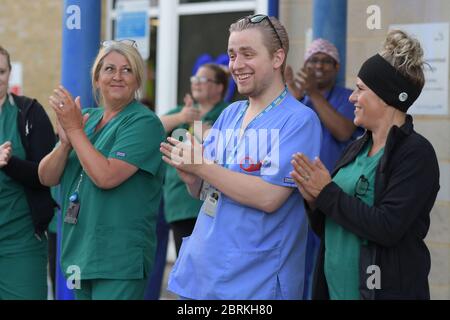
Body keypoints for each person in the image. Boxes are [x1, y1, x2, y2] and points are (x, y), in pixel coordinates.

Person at [160, 15, 322, 299]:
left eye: (248, 54)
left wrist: (201, 166)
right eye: (233, 55)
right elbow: (208, 189)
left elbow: (269, 197)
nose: (236, 65)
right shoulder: (230, 114)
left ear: (277, 57)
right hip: (204, 275)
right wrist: (191, 178)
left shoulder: (299, 120)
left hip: (256, 283)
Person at [290, 30, 440, 300]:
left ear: (386, 96)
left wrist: (326, 192)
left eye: (360, 89)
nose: (351, 98)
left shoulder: (416, 154)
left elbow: (387, 227)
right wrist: (314, 201)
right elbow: (331, 226)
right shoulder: (356, 148)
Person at [38, 40, 165, 300]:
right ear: (97, 79)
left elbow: (106, 176)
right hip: (80, 251)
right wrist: (64, 144)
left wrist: (74, 131)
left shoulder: (144, 122)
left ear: (137, 81)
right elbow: (46, 176)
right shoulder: (86, 118)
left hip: (119, 258)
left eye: (127, 70)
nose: (117, 76)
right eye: (109, 69)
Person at [0, 45, 56, 299]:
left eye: (0, 71)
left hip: (20, 242)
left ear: (9, 73)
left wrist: (9, 163)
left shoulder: (30, 113)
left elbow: (46, 177)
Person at [160, 63, 229, 255]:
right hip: (180, 204)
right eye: (194, 79)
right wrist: (181, 117)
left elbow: (223, 143)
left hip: (216, 203)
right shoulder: (183, 111)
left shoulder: (229, 112)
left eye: (203, 79)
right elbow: (150, 125)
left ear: (219, 87)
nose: (196, 83)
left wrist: (196, 125)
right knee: (186, 265)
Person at [285, 38, 361, 172]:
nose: (319, 66)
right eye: (313, 60)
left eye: (326, 61)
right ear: (305, 65)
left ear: (336, 67)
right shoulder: (298, 99)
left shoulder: (349, 97)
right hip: (297, 181)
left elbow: (343, 133)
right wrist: (293, 101)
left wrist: (313, 93)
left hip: (335, 181)